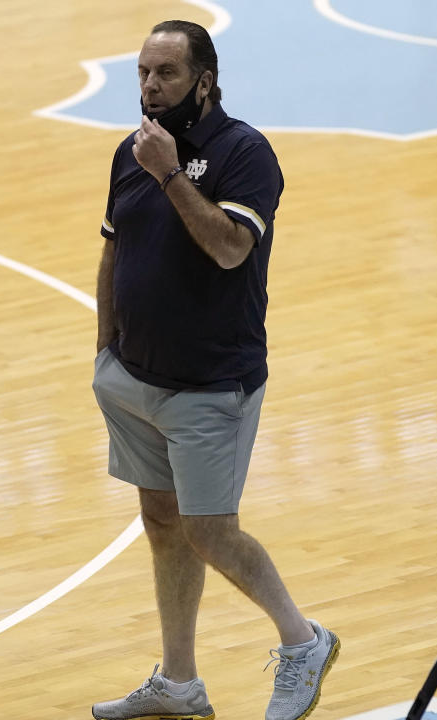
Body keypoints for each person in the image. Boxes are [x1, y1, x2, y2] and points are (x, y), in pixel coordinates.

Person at [91, 20, 339, 720]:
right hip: (134, 377)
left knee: (209, 529)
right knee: (162, 521)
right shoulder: (129, 153)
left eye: (164, 73)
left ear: (204, 81)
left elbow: (230, 248)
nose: (148, 86)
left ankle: (303, 640)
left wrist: (169, 172)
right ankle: (179, 683)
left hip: (210, 383)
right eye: (141, 72)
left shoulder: (243, 153)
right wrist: (104, 352)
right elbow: (114, 250)